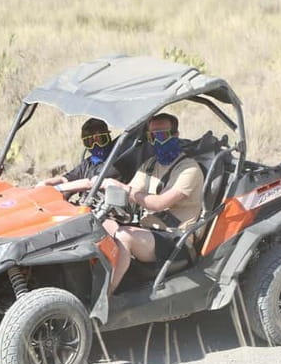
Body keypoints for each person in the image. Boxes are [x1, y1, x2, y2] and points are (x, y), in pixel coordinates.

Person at [101, 113, 204, 294]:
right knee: (100, 225)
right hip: (150, 231)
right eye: (152, 136)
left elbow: (158, 203)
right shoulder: (150, 164)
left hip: (176, 240)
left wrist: (125, 190)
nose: (157, 141)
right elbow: (130, 190)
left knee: (125, 235)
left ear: (176, 135)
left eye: (162, 135)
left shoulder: (189, 169)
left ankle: (104, 299)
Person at [38, 118, 121, 194]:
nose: (96, 145)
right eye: (90, 142)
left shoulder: (116, 162)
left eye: (100, 139)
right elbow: (65, 179)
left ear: (109, 137)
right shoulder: (88, 163)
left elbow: (91, 183)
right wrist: (46, 183)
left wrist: (57, 188)